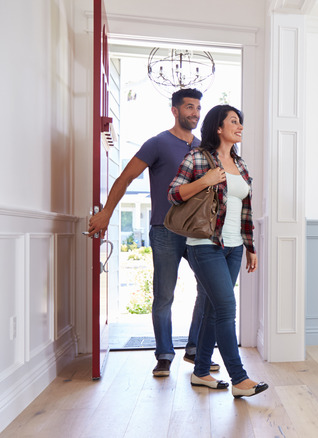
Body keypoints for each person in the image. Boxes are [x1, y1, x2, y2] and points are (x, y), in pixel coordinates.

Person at [87, 88, 220, 377]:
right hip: (165, 230)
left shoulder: (203, 149)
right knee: (164, 295)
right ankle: (164, 354)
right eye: (189, 107)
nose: (195, 113)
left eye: (198, 108)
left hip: (198, 233)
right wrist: (107, 212)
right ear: (175, 110)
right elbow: (125, 177)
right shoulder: (158, 143)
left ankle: (195, 349)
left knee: (209, 290)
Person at [168, 104, 268, 398]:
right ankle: (239, 379)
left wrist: (251, 248)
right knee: (226, 309)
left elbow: (246, 210)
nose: (240, 127)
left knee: (213, 309)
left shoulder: (242, 164)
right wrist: (205, 180)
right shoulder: (198, 158)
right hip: (205, 246)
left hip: (234, 248)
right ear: (218, 128)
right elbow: (173, 194)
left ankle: (200, 372)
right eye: (234, 122)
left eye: (241, 122)